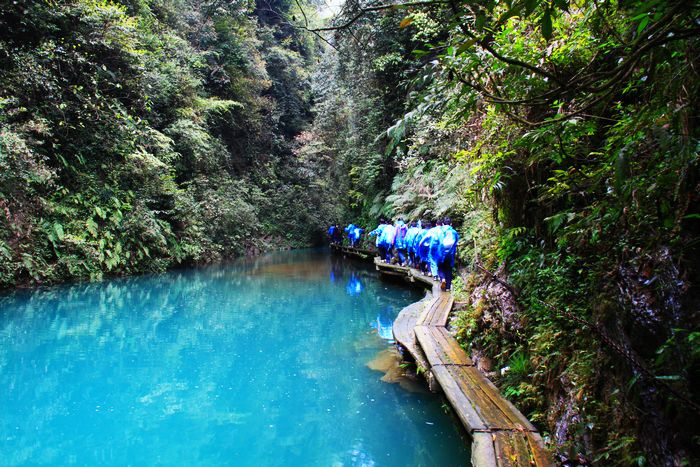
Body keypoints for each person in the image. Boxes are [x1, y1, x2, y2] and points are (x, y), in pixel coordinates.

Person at [437, 218, 459, 291]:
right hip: (450, 254)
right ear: (451, 224)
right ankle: (448, 288)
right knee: (448, 270)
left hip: (441, 253)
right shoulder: (454, 232)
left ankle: (443, 278)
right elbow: (456, 241)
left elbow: (437, 241)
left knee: (440, 267)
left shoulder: (440, 231)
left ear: (443, 224)